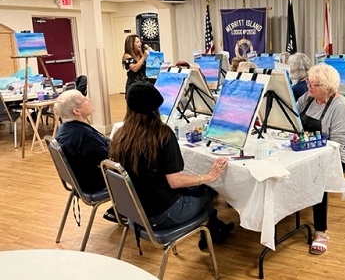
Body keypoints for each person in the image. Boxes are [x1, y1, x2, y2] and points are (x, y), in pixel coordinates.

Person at [108, 82, 234, 250]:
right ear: (156, 107)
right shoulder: (161, 134)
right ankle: (212, 231)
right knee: (208, 188)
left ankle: (215, 228)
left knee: (193, 187)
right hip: (161, 215)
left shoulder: (120, 134)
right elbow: (175, 181)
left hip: (136, 212)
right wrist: (208, 177)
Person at [297, 64, 345, 255]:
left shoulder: (341, 107)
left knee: (317, 176)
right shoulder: (308, 99)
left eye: (313, 84)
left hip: (335, 156)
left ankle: (320, 231)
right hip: (307, 150)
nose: (308, 87)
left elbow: (337, 144)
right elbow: (293, 118)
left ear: (327, 88)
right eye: (308, 82)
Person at [53, 90, 117, 223]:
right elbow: (108, 161)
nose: (88, 99)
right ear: (76, 111)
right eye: (84, 99)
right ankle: (128, 213)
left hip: (81, 180)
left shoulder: (65, 129)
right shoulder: (84, 137)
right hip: (95, 182)